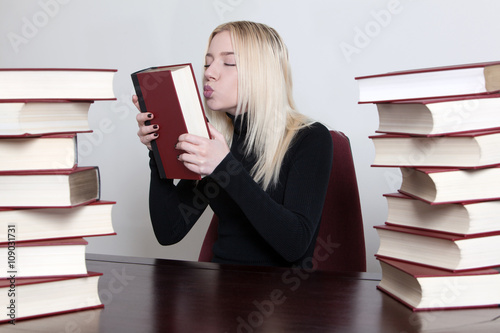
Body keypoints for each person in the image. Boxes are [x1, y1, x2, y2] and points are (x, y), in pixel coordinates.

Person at [134, 21, 333, 267]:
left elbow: (295, 245)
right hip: (221, 292)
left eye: (228, 62)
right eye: (208, 62)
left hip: (282, 297)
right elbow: (169, 231)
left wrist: (225, 167)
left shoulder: (310, 138)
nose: (209, 72)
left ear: (262, 73)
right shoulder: (218, 141)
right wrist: (159, 150)